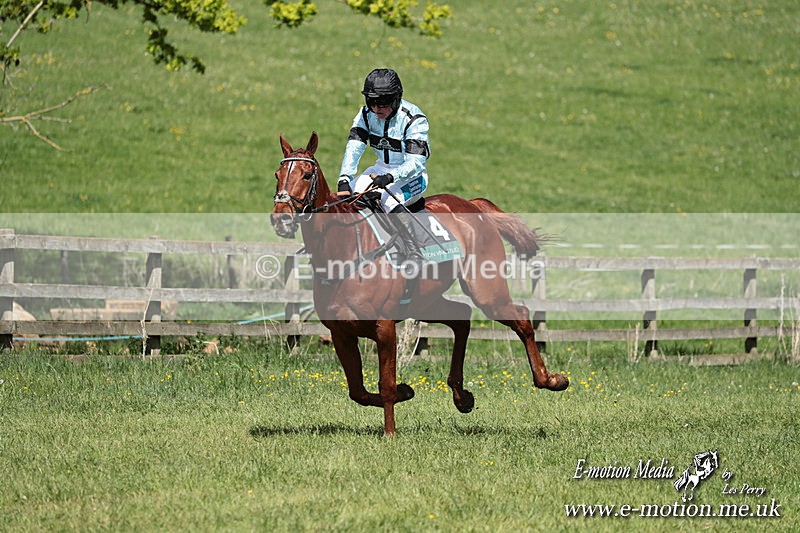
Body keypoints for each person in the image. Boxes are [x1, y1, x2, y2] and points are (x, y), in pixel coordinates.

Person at [337, 68, 430, 259]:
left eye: (383, 102)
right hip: (379, 169)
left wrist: (390, 177)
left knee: (388, 199)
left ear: (396, 98)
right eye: (371, 102)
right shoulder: (365, 114)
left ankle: (414, 251)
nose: (376, 108)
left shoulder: (414, 119)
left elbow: (416, 163)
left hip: (413, 176)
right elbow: (354, 146)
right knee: (346, 199)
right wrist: (344, 178)